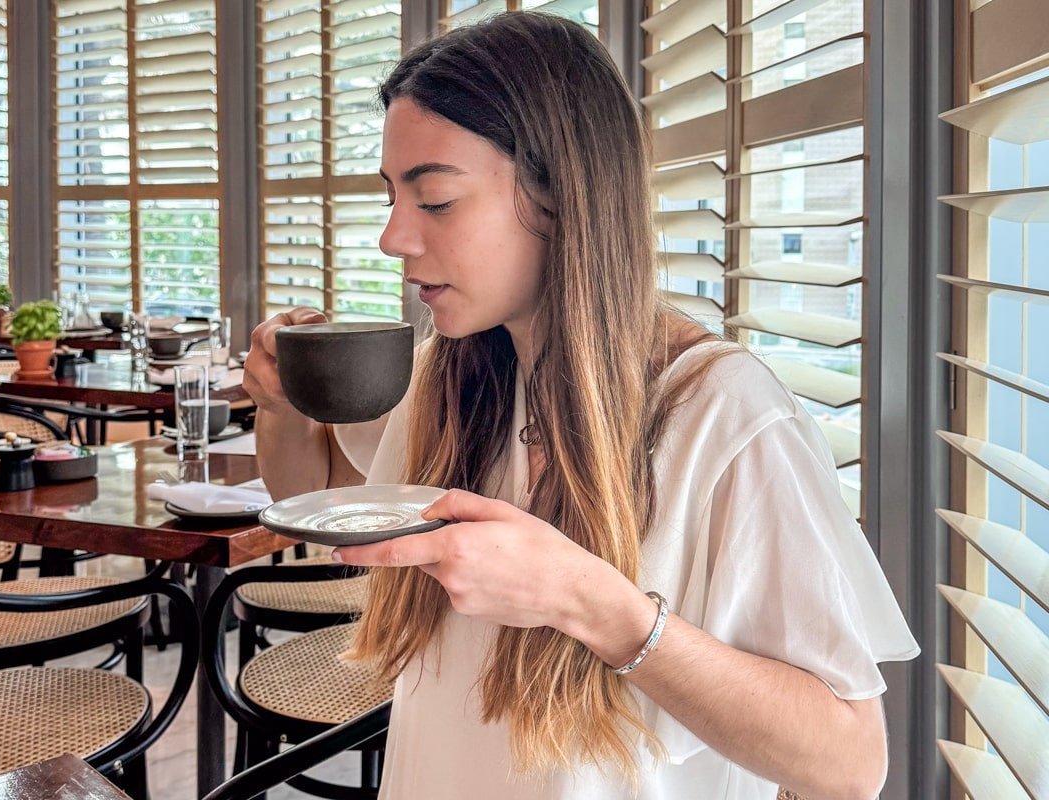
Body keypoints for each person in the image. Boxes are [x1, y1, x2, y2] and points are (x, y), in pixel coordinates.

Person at [243, 12, 918, 799]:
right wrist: (283, 408)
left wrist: (595, 605)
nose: (393, 238)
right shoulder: (457, 375)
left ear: (559, 193)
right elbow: (309, 497)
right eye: (393, 196)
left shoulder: (723, 413)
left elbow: (848, 760)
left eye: (435, 201)